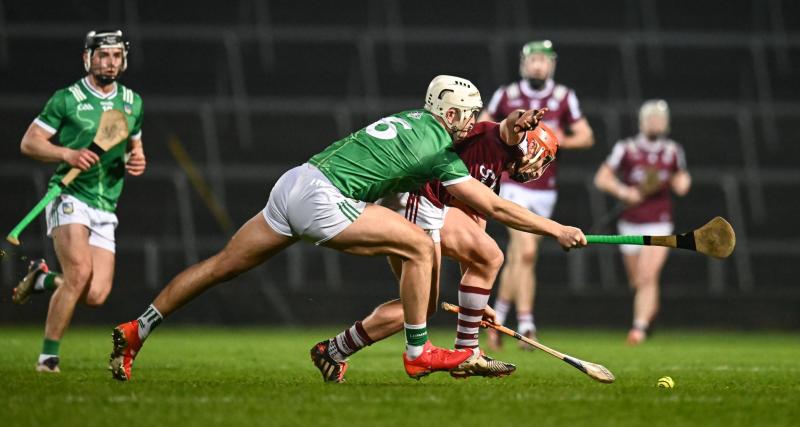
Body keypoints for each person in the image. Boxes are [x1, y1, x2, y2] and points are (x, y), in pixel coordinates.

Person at [108, 75, 587, 381]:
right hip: (326, 199)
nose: (470, 121)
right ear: (446, 113)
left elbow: (490, 142)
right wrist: (556, 229)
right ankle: (418, 353)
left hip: (295, 182)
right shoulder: (439, 152)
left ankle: (137, 328)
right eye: (464, 113)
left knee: (219, 267)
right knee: (422, 247)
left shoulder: (413, 120)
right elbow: (495, 210)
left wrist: (508, 127)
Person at [310, 109, 558, 382]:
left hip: (424, 206)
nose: (539, 168)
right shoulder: (499, 140)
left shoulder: (495, 170)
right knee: (490, 257)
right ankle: (467, 351)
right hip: (417, 199)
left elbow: (475, 228)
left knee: (420, 306)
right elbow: (509, 125)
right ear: (531, 145)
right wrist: (520, 121)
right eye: (542, 157)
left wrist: (476, 304)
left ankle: (332, 351)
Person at [10, 30, 145, 373]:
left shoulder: (133, 102)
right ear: (88, 58)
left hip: (106, 205)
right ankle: (48, 358)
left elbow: (135, 148)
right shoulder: (66, 99)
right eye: (103, 55)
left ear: (123, 60)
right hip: (69, 196)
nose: (109, 62)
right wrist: (67, 153)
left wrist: (137, 160)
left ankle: (42, 279)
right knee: (80, 272)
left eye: (116, 56)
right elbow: (30, 142)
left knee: (96, 294)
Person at [479, 40, 594, 349]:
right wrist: (511, 139)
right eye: (533, 60)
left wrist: (550, 141)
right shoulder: (507, 95)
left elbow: (586, 135)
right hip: (512, 184)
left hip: (545, 189)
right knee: (526, 252)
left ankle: (497, 317)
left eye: (544, 60)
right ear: (523, 63)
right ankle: (527, 324)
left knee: (520, 257)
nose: (538, 65)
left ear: (551, 65)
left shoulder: (563, 97)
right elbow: (481, 126)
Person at [593, 99, 691, 345]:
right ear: (642, 121)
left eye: (660, 118)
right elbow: (602, 178)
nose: (656, 122)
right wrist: (625, 192)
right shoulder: (627, 148)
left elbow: (682, 183)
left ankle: (638, 328)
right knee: (637, 281)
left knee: (648, 276)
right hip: (630, 222)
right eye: (652, 118)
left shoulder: (672, 151)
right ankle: (649, 319)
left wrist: (679, 181)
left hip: (660, 221)